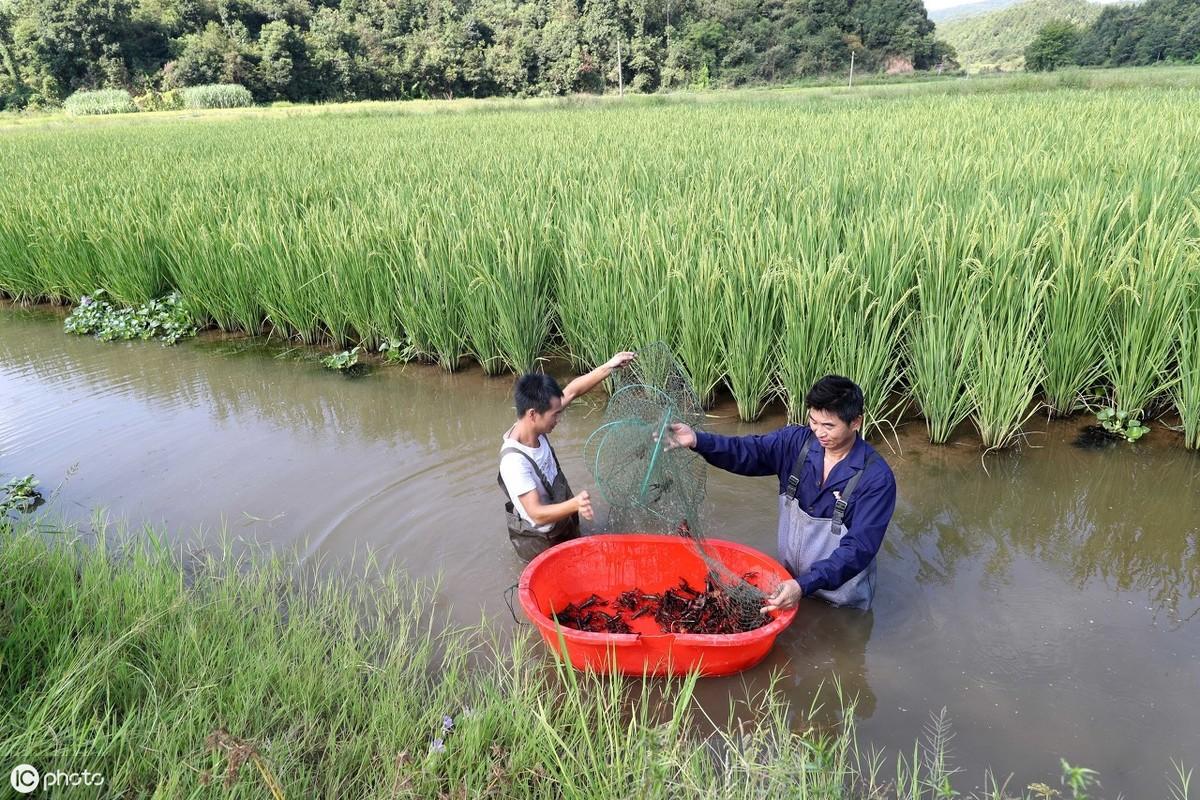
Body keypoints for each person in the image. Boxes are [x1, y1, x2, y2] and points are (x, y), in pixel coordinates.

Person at [667, 375, 896, 611]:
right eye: (813, 421)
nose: (819, 432)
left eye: (829, 426)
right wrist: (697, 440)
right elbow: (746, 451)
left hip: (840, 603)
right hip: (790, 585)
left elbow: (858, 549)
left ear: (855, 422)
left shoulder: (876, 479)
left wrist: (804, 584)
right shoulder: (795, 444)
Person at [498, 352, 636, 560]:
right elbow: (536, 512)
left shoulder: (533, 424)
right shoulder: (513, 462)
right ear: (533, 414)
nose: (559, 419)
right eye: (555, 415)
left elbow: (572, 390)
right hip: (543, 539)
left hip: (563, 516)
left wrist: (610, 366)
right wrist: (575, 504)